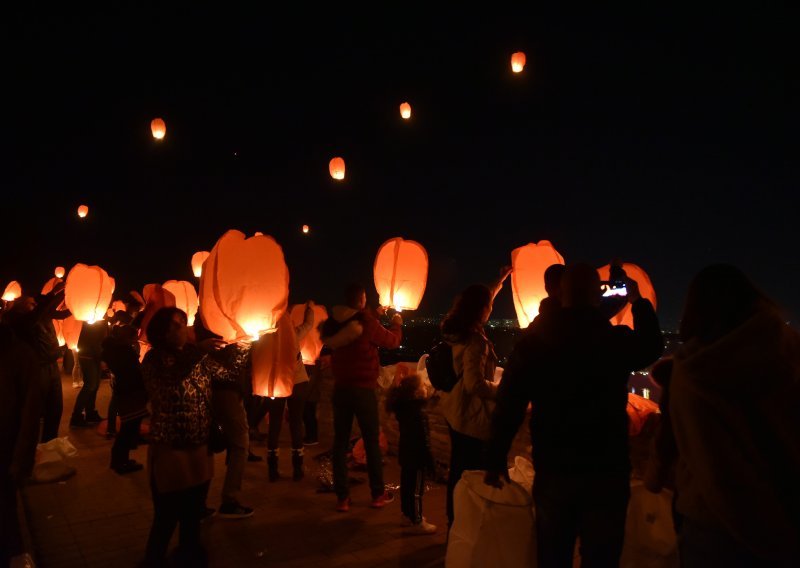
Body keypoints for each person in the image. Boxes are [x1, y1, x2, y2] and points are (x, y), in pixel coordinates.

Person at [484, 262, 663, 567]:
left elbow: (510, 402)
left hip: (555, 466)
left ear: (560, 295)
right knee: (602, 557)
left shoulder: (535, 340)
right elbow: (651, 345)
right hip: (606, 467)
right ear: (598, 296)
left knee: (553, 554)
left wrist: (496, 456)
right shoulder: (612, 339)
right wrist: (637, 301)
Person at [667, 265, 800, 566]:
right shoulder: (786, 352)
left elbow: (690, 449)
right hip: (785, 513)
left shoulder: (690, 370)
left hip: (709, 525)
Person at [140, 307, 249, 566]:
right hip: (170, 449)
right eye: (179, 325)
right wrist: (200, 349)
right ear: (164, 332)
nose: (185, 329)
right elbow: (174, 380)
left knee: (192, 514)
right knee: (166, 516)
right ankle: (152, 561)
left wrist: (244, 346)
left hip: (199, 446)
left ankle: (189, 555)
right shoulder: (154, 360)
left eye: (185, 323)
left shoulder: (194, 354)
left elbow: (227, 374)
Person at [438, 266, 511, 529]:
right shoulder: (475, 340)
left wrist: (499, 280)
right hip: (469, 416)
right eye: (488, 305)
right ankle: (462, 523)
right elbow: (474, 384)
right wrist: (501, 391)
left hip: (453, 411)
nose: (491, 308)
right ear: (482, 309)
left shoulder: (453, 327)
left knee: (458, 469)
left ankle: (453, 521)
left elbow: (482, 296)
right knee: (467, 473)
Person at [320, 283, 402, 512]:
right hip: (363, 389)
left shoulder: (336, 322)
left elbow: (355, 326)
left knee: (339, 443)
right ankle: (377, 495)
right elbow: (391, 341)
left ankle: (342, 498)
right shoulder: (367, 323)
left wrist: (375, 313)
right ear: (362, 299)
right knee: (372, 441)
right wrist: (397, 324)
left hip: (341, 389)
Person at [193, 311, 255, 520]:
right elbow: (231, 368)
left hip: (204, 389)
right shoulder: (232, 317)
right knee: (240, 444)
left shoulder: (204, 313)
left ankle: (198, 503)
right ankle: (229, 500)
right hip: (225, 390)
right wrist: (246, 342)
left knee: (206, 444)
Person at [2, 284, 68, 442]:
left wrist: (71, 294)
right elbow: (41, 310)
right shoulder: (18, 320)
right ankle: (28, 446)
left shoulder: (42, 315)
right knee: (34, 409)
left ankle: (50, 444)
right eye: (31, 303)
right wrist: (58, 292)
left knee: (55, 408)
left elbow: (58, 311)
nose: (35, 305)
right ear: (20, 307)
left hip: (51, 366)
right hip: (37, 368)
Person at [0, 322, 41, 566]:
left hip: (6, 449)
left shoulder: (19, 354)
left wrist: (22, 459)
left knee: (5, 509)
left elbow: (30, 411)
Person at [266, 301, 315, 482]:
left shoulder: (267, 339)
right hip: (298, 382)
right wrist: (309, 309)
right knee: (296, 424)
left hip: (276, 385)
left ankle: (272, 468)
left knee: (275, 424)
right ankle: (298, 468)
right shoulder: (294, 334)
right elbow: (309, 324)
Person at [385, 373, 436, 534]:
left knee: (406, 486)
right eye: (422, 386)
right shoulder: (419, 413)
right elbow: (424, 440)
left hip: (406, 454)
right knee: (416, 491)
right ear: (415, 393)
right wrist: (430, 462)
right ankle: (417, 521)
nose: (426, 388)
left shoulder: (406, 408)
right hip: (417, 457)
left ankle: (407, 516)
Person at [102, 321, 148, 474]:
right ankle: (120, 461)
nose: (136, 341)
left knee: (129, 426)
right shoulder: (124, 352)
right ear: (128, 338)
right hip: (130, 392)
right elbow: (133, 373)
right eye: (134, 338)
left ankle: (121, 459)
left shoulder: (115, 349)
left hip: (125, 391)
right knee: (128, 428)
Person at [70, 318, 109, 427]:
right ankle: (76, 417)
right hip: (88, 354)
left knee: (95, 385)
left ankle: (90, 413)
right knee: (90, 385)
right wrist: (102, 358)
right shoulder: (91, 316)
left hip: (95, 354)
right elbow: (93, 339)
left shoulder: (101, 317)